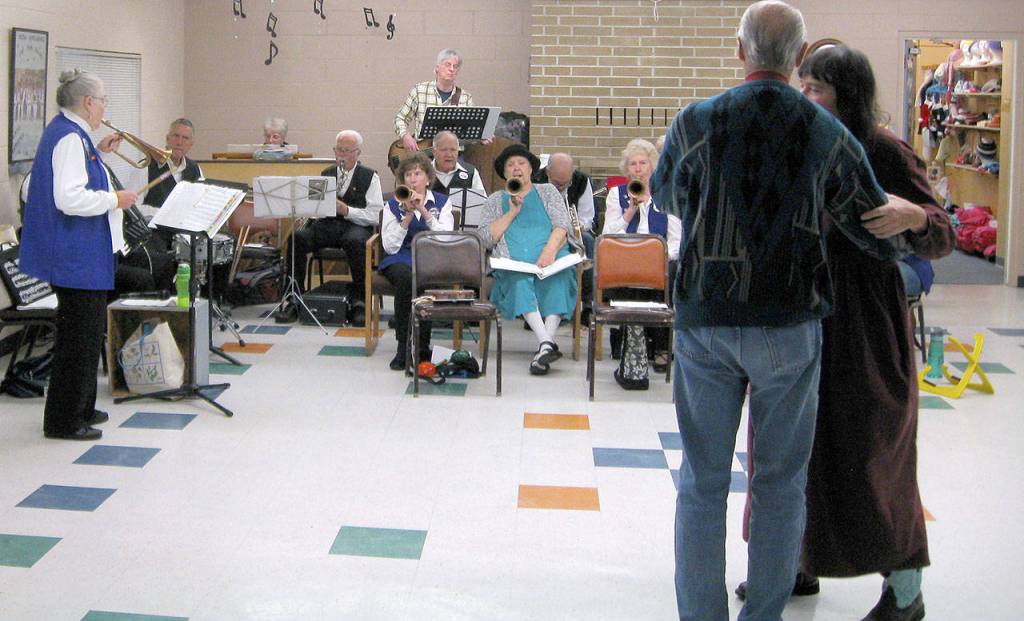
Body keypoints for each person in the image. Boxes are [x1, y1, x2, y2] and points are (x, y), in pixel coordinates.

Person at [650, 3, 897, 619]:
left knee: (701, 483)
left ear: (741, 51)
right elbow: (870, 225)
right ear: (800, 55)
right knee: (781, 485)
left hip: (706, 321)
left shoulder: (696, 121)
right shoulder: (826, 132)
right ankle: (764, 613)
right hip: (789, 326)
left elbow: (665, 196)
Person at [795, 45, 954, 621]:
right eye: (803, 84)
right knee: (797, 448)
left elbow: (942, 231)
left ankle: (905, 592)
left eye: (820, 88)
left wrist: (913, 217)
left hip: (865, 323)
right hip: (805, 313)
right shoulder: (800, 141)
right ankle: (800, 561)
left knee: (874, 451)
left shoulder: (884, 149)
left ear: (850, 93)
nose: (807, 97)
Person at [19, 68, 138, 440]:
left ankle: (82, 406)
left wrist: (99, 156)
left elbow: (74, 178)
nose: (104, 107)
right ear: (88, 103)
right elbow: (68, 198)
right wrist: (114, 199)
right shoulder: (70, 138)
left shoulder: (73, 135)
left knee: (88, 337)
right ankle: (63, 420)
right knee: (78, 341)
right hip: (75, 255)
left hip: (83, 252)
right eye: (102, 100)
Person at [478, 144, 580, 375]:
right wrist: (512, 212)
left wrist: (550, 251)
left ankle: (544, 345)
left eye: (521, 163)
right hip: (513, 262)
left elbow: (562, 224)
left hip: (549, 256)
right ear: (504, 173)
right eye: (510, 165)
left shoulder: (547, 191)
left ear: (531, 169)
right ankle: (546, 344)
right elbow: (486, 238)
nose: (516, 169)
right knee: (519, 281)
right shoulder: (495, 199)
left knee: (559, 279)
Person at [277, 130, 385, 324]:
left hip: (357, 225)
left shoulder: (370, 177)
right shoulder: (326, 174)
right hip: (328, 225)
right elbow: (315, 209)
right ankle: (295, 297)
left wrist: (347, 211)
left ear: (357, 153)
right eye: (339, 150)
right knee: (297, 238)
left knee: (355, 241)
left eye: (347, 150)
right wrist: (307, 206)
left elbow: (376, 216)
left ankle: (360, 301)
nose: (342, 154)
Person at [601, 139, 681, 388]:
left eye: (642, 163)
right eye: (633, 164)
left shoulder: (666, 193)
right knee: (631, 277)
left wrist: (659, 258)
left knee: (670, 272)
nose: (637, 168)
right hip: (626, 259)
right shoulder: (618, 194)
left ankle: (658, 346)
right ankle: (635, 346)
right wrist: (630, 212)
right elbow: (608, 235)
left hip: (661, 260)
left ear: (652, 166)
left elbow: (677, 240)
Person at [380, 152, 454, 370]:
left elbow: (445, 237)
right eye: (408, 175)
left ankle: (422, 346)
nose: (413, 179)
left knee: (425, 278)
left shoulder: (442, 202)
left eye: (418, 174)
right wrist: (408, 216)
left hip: (431, 257)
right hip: (400, 257)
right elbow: (389, 246)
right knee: (405, 278)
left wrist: (423, 210)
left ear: (428, 179)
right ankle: (403, 346)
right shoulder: (392, 205)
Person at [394, 49, 474, 153]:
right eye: (447, 65)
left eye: (455, 66)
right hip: (424, 154)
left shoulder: (465, 97)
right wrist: (405, 136)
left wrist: (482, 136)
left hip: (453, 157)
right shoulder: (419, 90)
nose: (451, 69)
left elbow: (470, 130)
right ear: (437, 67)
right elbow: (400, 118)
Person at [430, 130, 485, 199]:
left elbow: (482, 203)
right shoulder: (423, 172)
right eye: (444, 150)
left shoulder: (471, 172)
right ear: (434, 152)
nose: (449, 155)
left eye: (453, 150)